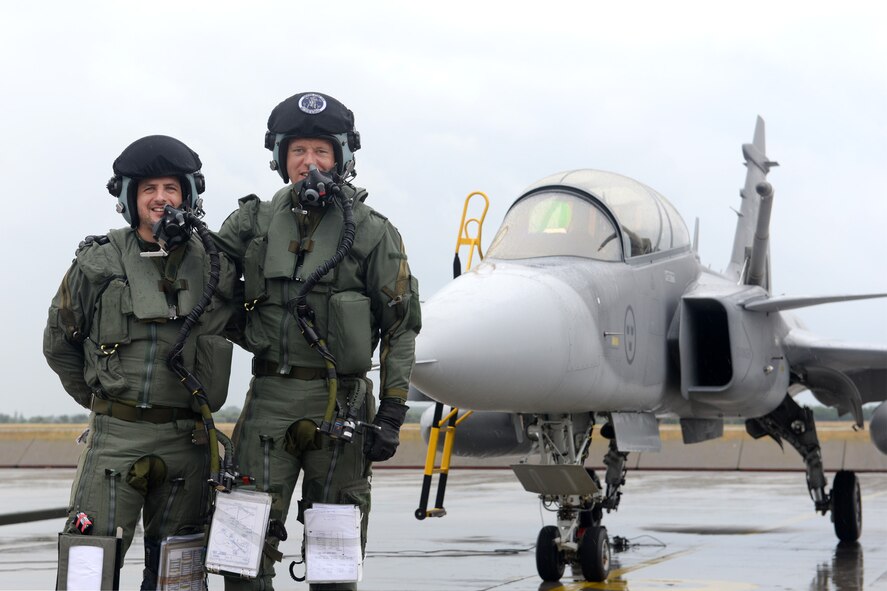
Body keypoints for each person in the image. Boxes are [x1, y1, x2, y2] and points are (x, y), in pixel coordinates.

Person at [213, 91, 420, 591]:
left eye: (321, 152)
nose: (310, 163)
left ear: (342, 158)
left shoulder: (372, 233)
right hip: (270, 399)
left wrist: (392, 413)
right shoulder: (253, 223)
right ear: (281, 158)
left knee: (334, 551)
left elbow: (400, 326)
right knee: (241, 546)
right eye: (298, 151)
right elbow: (208, 283)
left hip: (342, 403)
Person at [43, 135, 240, 590]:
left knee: (179, 574)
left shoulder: (216, 268)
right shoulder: (99, 262)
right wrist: (102, 401)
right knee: (87, 569)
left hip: (187, 439)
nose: (160, 199)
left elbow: (253, 327)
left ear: (188, 195)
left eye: (171, 188)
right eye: (149, 189)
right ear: (130, 198)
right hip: (116, 438)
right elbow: (59, 342)